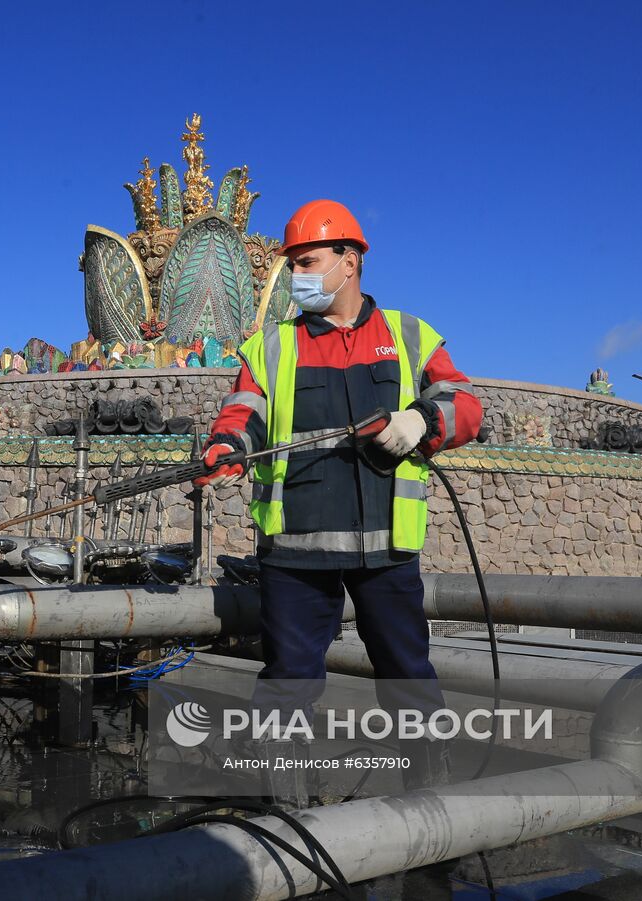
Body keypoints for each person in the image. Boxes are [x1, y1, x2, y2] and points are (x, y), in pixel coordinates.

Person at [197, 199, 483, 788]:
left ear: (349, 261)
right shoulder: (272, 347)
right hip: (296, 551)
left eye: (308, 261)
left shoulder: (409, 335)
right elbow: (241, 414)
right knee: (287, 682)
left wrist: (422, 421)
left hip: (387, 551)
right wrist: (226, 448)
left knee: (408, 678)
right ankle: (278, 814)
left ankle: (434, 811)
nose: (297, 276)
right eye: (294, 264)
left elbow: (467, 406)